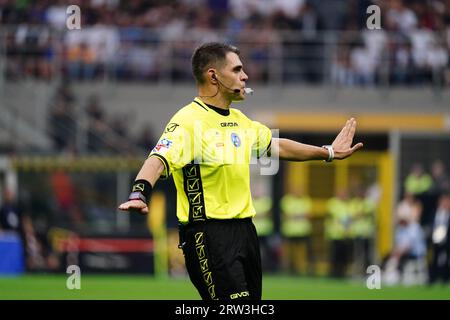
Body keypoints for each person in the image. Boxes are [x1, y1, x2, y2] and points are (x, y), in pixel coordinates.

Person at [118, 42, 363, 300]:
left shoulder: (240, 121)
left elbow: (277, 145)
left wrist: (328, 152)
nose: (244, 76)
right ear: (213, 76)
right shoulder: (187, 122)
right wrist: (139, 192)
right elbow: (157, 159)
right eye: (237, 70)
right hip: (208, 235)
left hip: (246, 233)